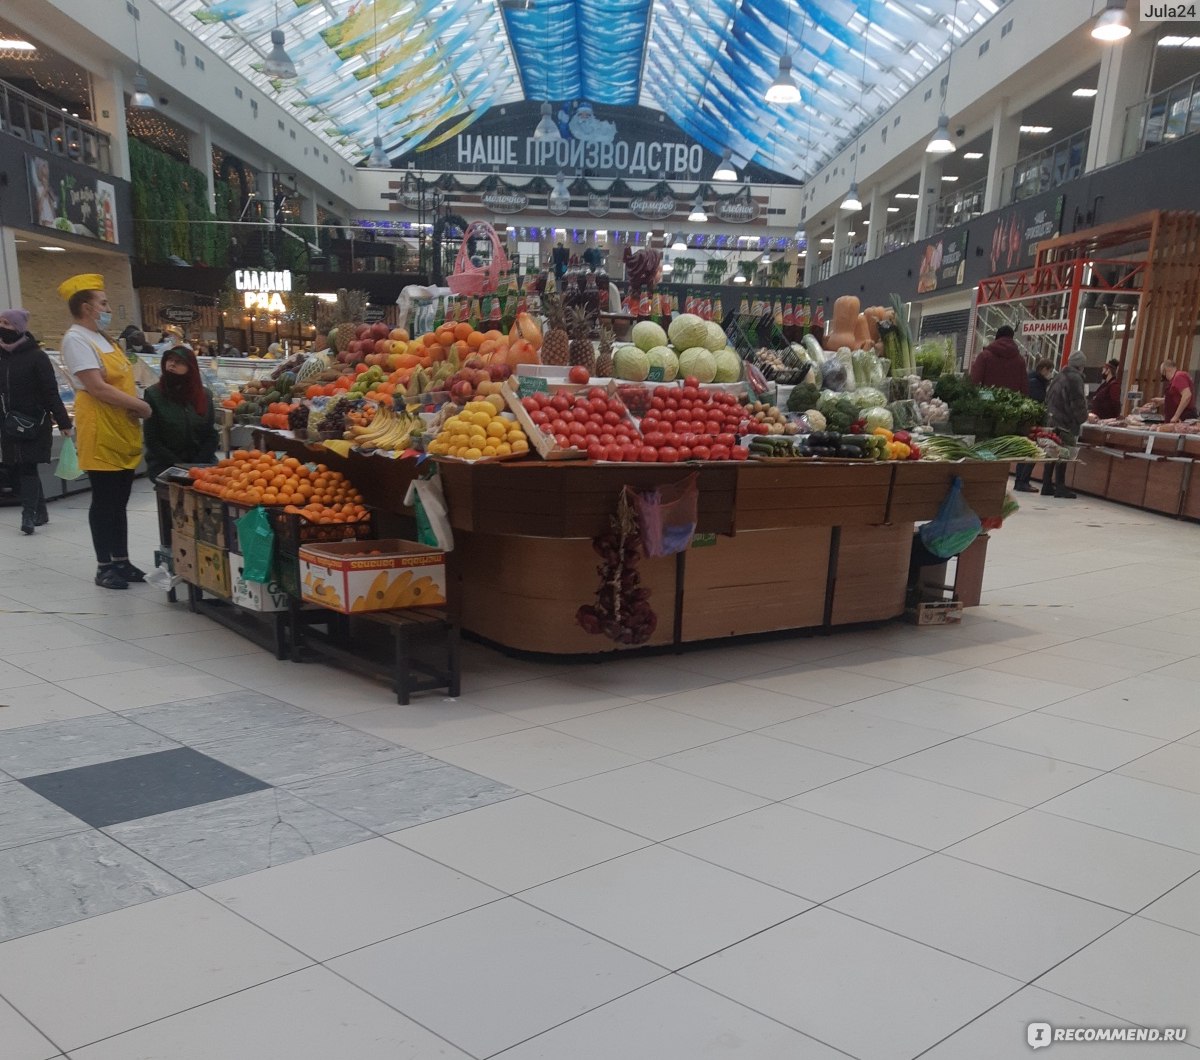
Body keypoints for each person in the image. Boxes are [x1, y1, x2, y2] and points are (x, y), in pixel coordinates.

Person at [58, 274, 153, 589]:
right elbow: (97, 387)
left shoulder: (104, 338)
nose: (108, 307)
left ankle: (121, 561)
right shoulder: (76, 339)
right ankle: (104, 567)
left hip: (120, 427)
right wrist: (140, 407)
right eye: (103, 302)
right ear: (86, 307)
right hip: (100, 427)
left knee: (120, 499)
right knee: (105, 500)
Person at [0, 308, 72, 534]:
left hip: (34, 421)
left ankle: (28, 516)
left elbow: (51, 392)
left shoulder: (36, 356)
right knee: (17, 465)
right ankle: (40, 510)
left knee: (28, 466)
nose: (2, 327)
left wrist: (64, 422)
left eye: (7, 323)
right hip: (8, 423)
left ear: (19, 328)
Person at [142, 346, 218, 482]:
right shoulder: (154, 395)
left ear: (191, 368)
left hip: (202, 462)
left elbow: (211, 434)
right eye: (169, 359)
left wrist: (198, 462)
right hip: (164, 464)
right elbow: (152, 440)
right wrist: (179, 465)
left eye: (179, 361)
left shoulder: (203, 395)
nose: (172, 364)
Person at [1042, 350, 1088, 498]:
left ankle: (1047, 484)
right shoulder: (1075, 379)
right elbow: (1077, 402)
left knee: (1051, 452)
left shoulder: (1059, 376)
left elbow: (1048, 397)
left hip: (1052, 419)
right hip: (1065, 422)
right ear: (1081, 366)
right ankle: (1060, 486)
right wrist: (1083, 418)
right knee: (1064, 453)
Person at [1013, 358, 1056, 492]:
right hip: (1032, 422)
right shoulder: (1036, 383)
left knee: (1026, 451)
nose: (1050, 374)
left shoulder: (1031, 379)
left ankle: (1020, 481)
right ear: (1043, 369)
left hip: (1026, 421)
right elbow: (1037, 402)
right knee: (1031, 452)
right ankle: (1023, 481)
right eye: (1049, 370)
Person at [969, 325, 1029, 394]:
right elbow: (1024, 388)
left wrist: (986, 396)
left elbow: (974, 380)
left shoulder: (984, 356)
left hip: (986, 400)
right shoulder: (1020, 361)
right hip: (1009, 401)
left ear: (997, 337)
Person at [1158, 359, 1196, 423]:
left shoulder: (1179, 376)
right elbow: (1177, 398)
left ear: (1167, 370)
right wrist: (1161, 401)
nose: (1165, 378)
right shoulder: (1175, 379)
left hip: (1183, 417)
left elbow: (1187, 395)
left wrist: (1176, 416)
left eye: (1163, 375)